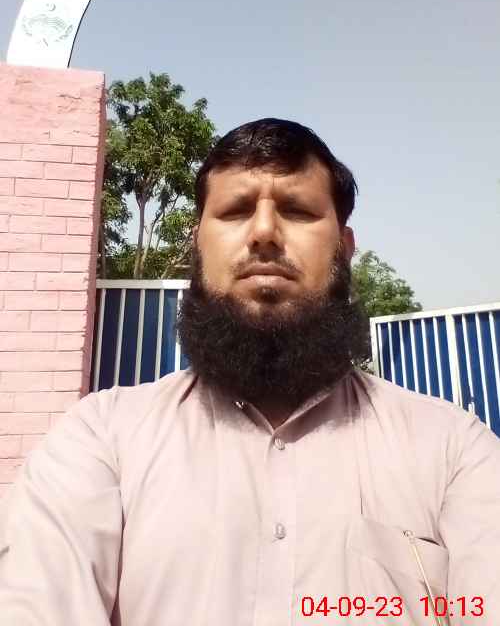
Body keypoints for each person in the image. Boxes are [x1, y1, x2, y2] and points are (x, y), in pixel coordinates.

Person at [0, 118, 499, 626]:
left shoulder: (453, 450)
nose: (264, 232)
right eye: (237, 210)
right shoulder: (101, 440)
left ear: (345, 249)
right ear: (197, 244)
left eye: (298, 210)